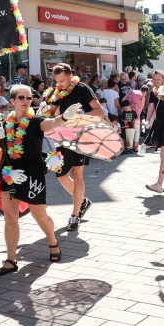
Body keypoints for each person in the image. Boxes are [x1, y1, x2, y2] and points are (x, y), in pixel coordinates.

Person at [0, 84, 82, 277]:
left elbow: (52, 124)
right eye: (21, 98)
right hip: (10, 174)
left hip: (33, 174)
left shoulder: (36, 121)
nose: (26, 101)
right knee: (10, 218)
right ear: (12, 101)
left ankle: (52, 240)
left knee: (39, 215)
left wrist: (65, 117)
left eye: (29, 98)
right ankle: (10, 260)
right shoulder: (3, 122)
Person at [42, 63, 108, 231]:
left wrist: (78, 117)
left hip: (80, 136)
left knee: (77, 173)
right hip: (62, 137)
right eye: (57, 81)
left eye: (63, 80)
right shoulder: (58, 91)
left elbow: (99, 112)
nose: (60, 84)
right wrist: (44, 112)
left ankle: (75, 214)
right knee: (61, 175)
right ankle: (82, 201)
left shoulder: (82, 88)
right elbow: (51, 112)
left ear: (71, 75)